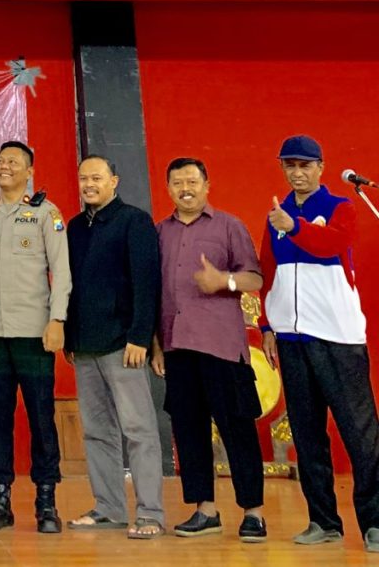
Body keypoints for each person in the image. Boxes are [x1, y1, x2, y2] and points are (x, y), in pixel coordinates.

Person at [258, 135, 379, 551]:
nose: (297, 172)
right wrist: (267, 326)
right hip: (292, 339)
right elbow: (267, 271)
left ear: (321, 167)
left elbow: (333, 245)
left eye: (305, 165)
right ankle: (323, 521)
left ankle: (375, 522)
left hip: (337, 338)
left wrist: (295, 227)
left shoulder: (340, 207)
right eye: (289, 165)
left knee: (359, 433)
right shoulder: (276, 214)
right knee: (307, 434)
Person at [149, 157, 267, 542]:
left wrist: (224, 280)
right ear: (168, 189)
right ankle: (205, 510)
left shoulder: (229, 226)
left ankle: (253, 512)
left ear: (207, 185)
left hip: (221, 346)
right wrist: (157, 345)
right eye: (178, 182)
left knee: (237, 428)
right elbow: (154, 294)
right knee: (188, 429)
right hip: (176, 344)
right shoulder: (158, 232)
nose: (186, 188)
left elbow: (254, 277)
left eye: (193, 181)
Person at [0, 141, 71, 534]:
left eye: (14, 162)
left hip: (34, 336)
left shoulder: (46, 214)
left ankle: (46, 501)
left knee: (42, 419)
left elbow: (62, 272)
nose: (5, 166)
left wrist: (57, 320)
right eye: (1, 160)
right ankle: (0, 500)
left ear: (29, 172)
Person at [64, 155, 164, 539]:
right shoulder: (74, 227)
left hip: (124, 345)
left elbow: (146, 283)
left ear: (114, 181)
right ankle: (109, 507)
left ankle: (151, 512)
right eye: (84, 178)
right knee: (96, 432)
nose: (89, 184)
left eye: (97, 178)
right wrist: (70, 335)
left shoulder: (134, 222)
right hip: (85, 347)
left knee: (138, 430)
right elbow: (70, 287)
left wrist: (140, 336)